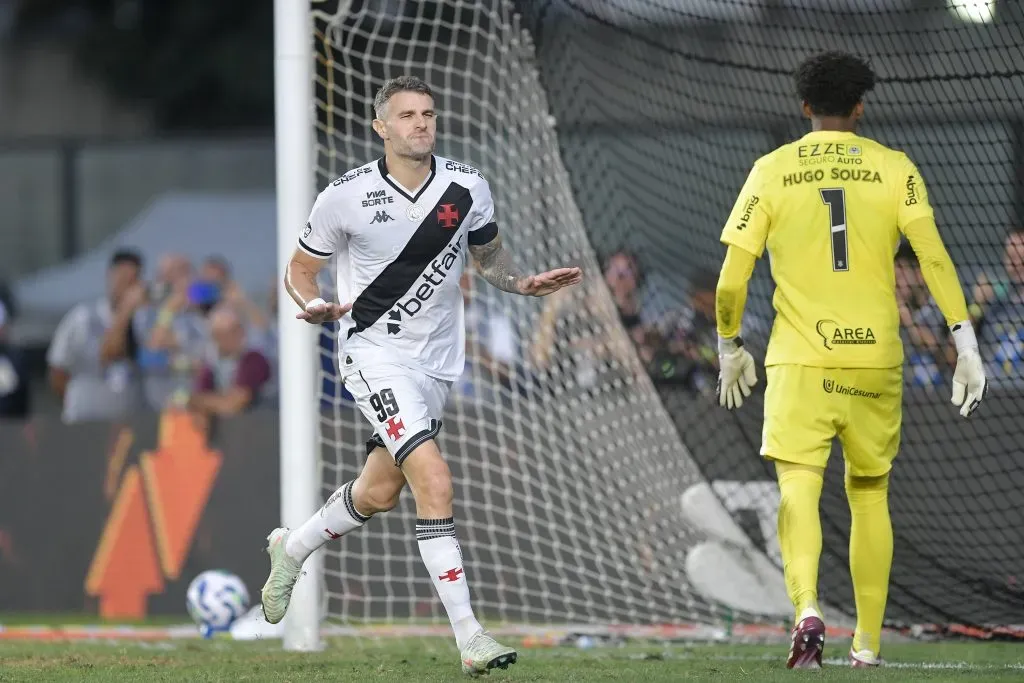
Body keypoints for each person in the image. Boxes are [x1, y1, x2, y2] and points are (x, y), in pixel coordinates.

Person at [260, 75, 582, 676]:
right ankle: (471, 636)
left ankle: (292, 547)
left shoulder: (467, 186)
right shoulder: (345, 196)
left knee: (379, 492)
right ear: (381, 126)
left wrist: (522, 284)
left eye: (428, 113)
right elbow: (301, 270)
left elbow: (488, 257)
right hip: (371, 354)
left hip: (437, 364)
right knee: (433, 478)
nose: (420, 124)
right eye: (406, 115)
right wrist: (309, 304)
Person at [713, 52, 986, 669]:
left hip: (799, 362)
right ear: (861, 106)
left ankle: (807, 607)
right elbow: (935, 257)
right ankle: (866, 646)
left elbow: (732, 281)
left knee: (798, 487)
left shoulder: (771, 169)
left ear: (804, 106)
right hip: (874, 361)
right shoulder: (896, 169)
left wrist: (729, 344)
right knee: (868, 495)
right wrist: (965, 344)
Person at [47, 249, 148, 423]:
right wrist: (77, 399)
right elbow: (58, 370)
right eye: (123, 279)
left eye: (133, 281)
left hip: (129, 419)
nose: (127, 288)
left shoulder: (144, 320)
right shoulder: (82, 318)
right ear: (110, 276)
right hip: (86, 420)